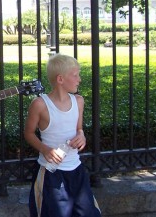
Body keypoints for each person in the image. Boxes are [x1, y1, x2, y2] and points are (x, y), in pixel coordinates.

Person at [24, 53, 101, 217]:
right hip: (51, 174)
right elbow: (29, 133)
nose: (79, 79)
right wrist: (45, 150)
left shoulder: (78, 101)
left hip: (77, 171)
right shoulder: (40, 104)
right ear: (60, 79)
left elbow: (79, 128)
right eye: (75, 75)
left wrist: (82, 136)